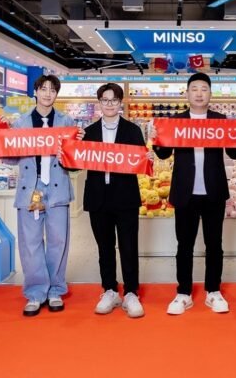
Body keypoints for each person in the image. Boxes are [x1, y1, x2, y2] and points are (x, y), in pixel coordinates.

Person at [151, 72, 236, 315]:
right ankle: (183, 292)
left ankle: (213, 291)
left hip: (213, 191)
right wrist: (156, 139)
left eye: (204, 89)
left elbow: (235, 154)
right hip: (185, 191)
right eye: (194, 89)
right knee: (184, 245)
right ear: (187, 93)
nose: (199, 93)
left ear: (210, 94)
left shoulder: (220, 120)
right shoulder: (176, 121)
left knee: (214, 244)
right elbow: (164, 154)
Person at [1, 74, 81, 316]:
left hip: (57, 189)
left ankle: (55, 289)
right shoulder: (20, 123)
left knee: (58, 241)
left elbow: (75, 163)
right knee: (30, 242)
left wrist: (78, 147)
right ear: (35, 91)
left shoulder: (67, 122)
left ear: (57, 94)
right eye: (43, 89)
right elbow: (10, 159)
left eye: (52, 90)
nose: (48, 93)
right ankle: (36, 292)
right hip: (30, 189)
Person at [80, 82, 152, 318]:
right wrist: (66, 154)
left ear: (120, 103)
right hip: (98, 197)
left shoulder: (132, 131)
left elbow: (141, 162)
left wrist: (148, 158)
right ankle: (109, 290)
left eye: (113, 100)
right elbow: (74, 162)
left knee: (129, 246)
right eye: (105, 100)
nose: (109, 104)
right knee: (104, 247)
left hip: (125, 197)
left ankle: (131, 292)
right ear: (99, 103)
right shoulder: (88, 132)